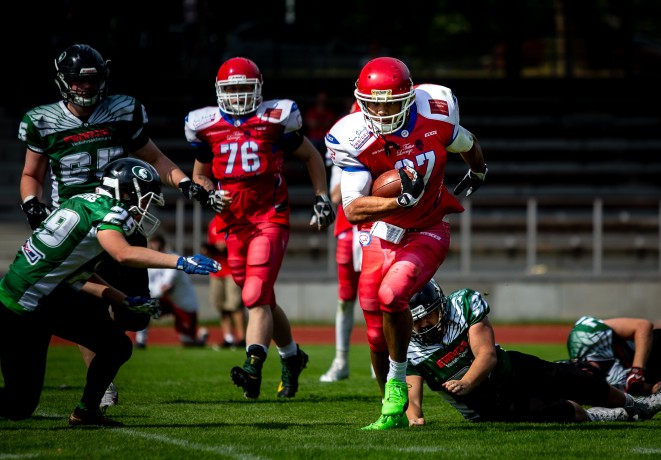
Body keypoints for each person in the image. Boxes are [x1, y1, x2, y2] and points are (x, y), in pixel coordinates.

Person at [17, 43, 226, 412]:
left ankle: (106, 355)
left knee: (133, 311)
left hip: (122, 214)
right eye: (79, 82)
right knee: (87, 308)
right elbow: (31, 174)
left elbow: (155, 158)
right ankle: (101, 384)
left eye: (92, 80)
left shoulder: (122, 110)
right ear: (63, 82)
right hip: (77, 224)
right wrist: (33, 205)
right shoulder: (43, 119)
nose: (86, 88)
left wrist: (184, 183)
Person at [325, 56, 488, 429]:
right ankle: (393, 409)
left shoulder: (436, 114)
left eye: (390, 101)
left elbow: (469, 141)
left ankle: (398, 386)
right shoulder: (352, 135)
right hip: (383, 231)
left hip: (429, 227)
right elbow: (352, 209)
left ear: (409, 97)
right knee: (371, 322)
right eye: (373, 101)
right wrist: (397, 200)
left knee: (391, 296)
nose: (380, 110)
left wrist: (478, 169)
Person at [0, 158, 220, 426]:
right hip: (24, 308)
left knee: (115, 346)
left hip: (34, 298)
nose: (145, 208)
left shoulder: (80, 202)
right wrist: (182, 261)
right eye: (145, 199)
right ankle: (82, 409)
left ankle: (87, 411)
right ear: (127, 192)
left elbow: (71, 272)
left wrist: (122, 299)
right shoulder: (109, 212)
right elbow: (123, 253)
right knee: (18, 405)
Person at [185, 56, 335, 400]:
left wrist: (321, 197)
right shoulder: (206, 125)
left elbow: (312, 157)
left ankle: (253, 363)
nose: (238, 95)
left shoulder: (274, 119)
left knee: (254, 295)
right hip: (233, 223)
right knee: (262, 298)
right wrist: (210, 196)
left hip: (270, 216)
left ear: (258, 89)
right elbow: (200, 175)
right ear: (220, 92)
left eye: (244, 88)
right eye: (231, 89)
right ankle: (292, 357)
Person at [404, 280, 661, 426]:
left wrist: (466, 382)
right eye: (415, 320)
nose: (422, 325)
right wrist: (414, 416)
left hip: (508, 366)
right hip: (488, 406)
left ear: (440, 304)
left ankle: (636, 404)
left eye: (427, 316)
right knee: (560, 410)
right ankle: (613, 416)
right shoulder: (410, 348)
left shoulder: (462, 305)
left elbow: (486, 355)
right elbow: (412, 395)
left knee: (580, 380)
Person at [566, 315, 661, 395]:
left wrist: (637, 370)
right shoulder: (605, 384)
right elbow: (640, 388)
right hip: (657, 373)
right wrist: (656, 387)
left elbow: (643, 325)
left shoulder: (584, 335)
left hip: (656, 349)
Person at [319, 161, 362, 382]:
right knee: (345, 300)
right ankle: (341, 361)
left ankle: (383, 359)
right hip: (347, 231)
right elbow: (335, 196)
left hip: (376, 228)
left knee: (377, 301)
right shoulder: (342, 157)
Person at [135, 234, 210, 348]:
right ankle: (141, 341)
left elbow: (167, 286)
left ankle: (200, 339)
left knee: (188, 342)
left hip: (182, 301)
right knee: (144, 308)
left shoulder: (175, 259)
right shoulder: (148, 261)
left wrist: (151, 295)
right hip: (163, 299)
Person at [204, 214, 246, 349]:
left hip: (232, 269)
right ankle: (228, 338)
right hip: (216, 270)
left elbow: (242, 242)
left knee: (235, 306)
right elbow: (211, 242)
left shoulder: (234, 219)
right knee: (221, 306)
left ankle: (242, 339)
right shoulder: (212, 223)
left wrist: (226, 245)